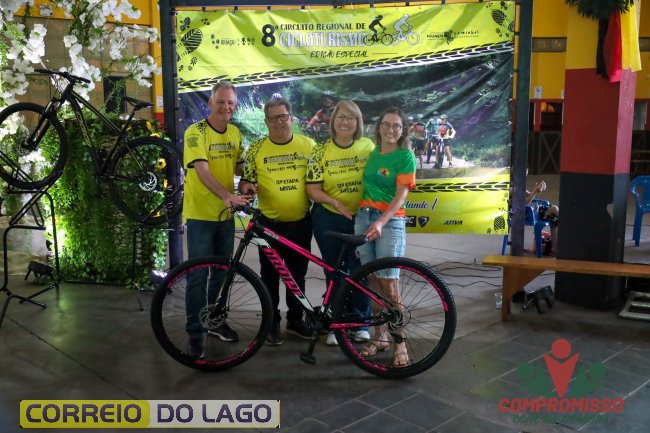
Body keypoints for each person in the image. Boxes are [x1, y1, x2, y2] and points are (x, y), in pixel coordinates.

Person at [182, 81, 251, 359]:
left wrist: (247, 182)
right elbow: (201, 169)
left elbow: (239, 166)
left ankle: (214, 320)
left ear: (235, 106)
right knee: (198, 276)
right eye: (220, 102)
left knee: (222, 273)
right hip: (201, 215)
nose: (226, 107)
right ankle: (194, 332)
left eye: (230, 103)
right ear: (210, 103)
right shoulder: (195, 132)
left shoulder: (235, 132)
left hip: (226, 216)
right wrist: (226, 195)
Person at [239, 97, 315, 346]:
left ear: (291, 118)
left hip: (301, 223)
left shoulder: (309, 146)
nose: (279, 122)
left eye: (283, 116)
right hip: (268, 224)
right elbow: (246, 181)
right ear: (266, 121)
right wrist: (246, 187)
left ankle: (295, 320)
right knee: (269, 276)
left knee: (297, 275)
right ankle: (271, 322)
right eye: (273, 118)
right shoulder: (256, 149)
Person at [306, 100, 375, 346]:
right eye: (341, 117)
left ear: (358, 122)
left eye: (351, 118)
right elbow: (312, 189)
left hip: (361, 218)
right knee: (335, 271)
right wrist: (334, 202)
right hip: (328, 218)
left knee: (360, 270)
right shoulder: (320, 150)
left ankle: (361, 323)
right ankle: (337, 325)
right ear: (333, 120)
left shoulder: (368, 146)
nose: (345, 122)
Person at [355, 107, 416, 368]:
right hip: (364, 217)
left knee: (390, 284)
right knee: (372, 281)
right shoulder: (373, 153)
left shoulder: (405, 157)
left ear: (403, 131)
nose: (391, 129)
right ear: (379, 127)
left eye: (396, 126)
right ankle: (379, 337)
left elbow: (401, 196)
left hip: (390, 222)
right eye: (386, 124)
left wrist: (381, 221)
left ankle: (400, 343)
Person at [526, 179, 559, 253]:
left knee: (555, 220)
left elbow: (529, 195)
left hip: (535, 210)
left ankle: (554, 247)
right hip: (529, 214)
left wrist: (537, 189)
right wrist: (535, 192)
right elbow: (524, 203)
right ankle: (569, 223)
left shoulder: (519, 186)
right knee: (554, 209)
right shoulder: (512, 189)